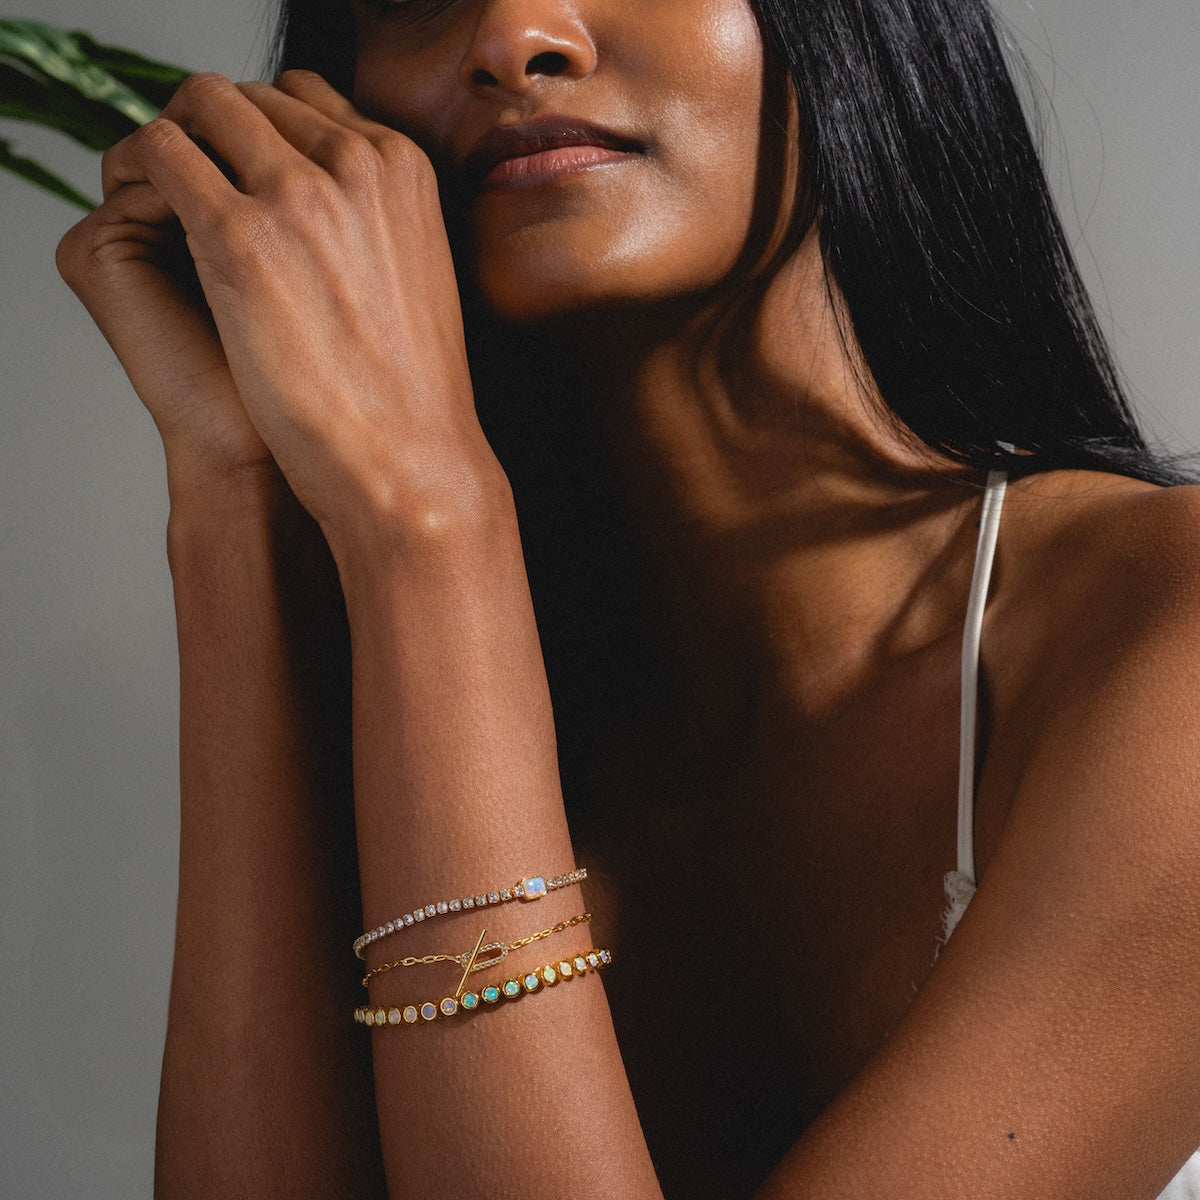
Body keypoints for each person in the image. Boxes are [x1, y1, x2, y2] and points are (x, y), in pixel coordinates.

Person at [55, 0, 1200, 1195]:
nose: (511, 35)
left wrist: (428, 519)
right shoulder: (419, 689)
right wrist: (236, 496)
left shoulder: (1163, 627)